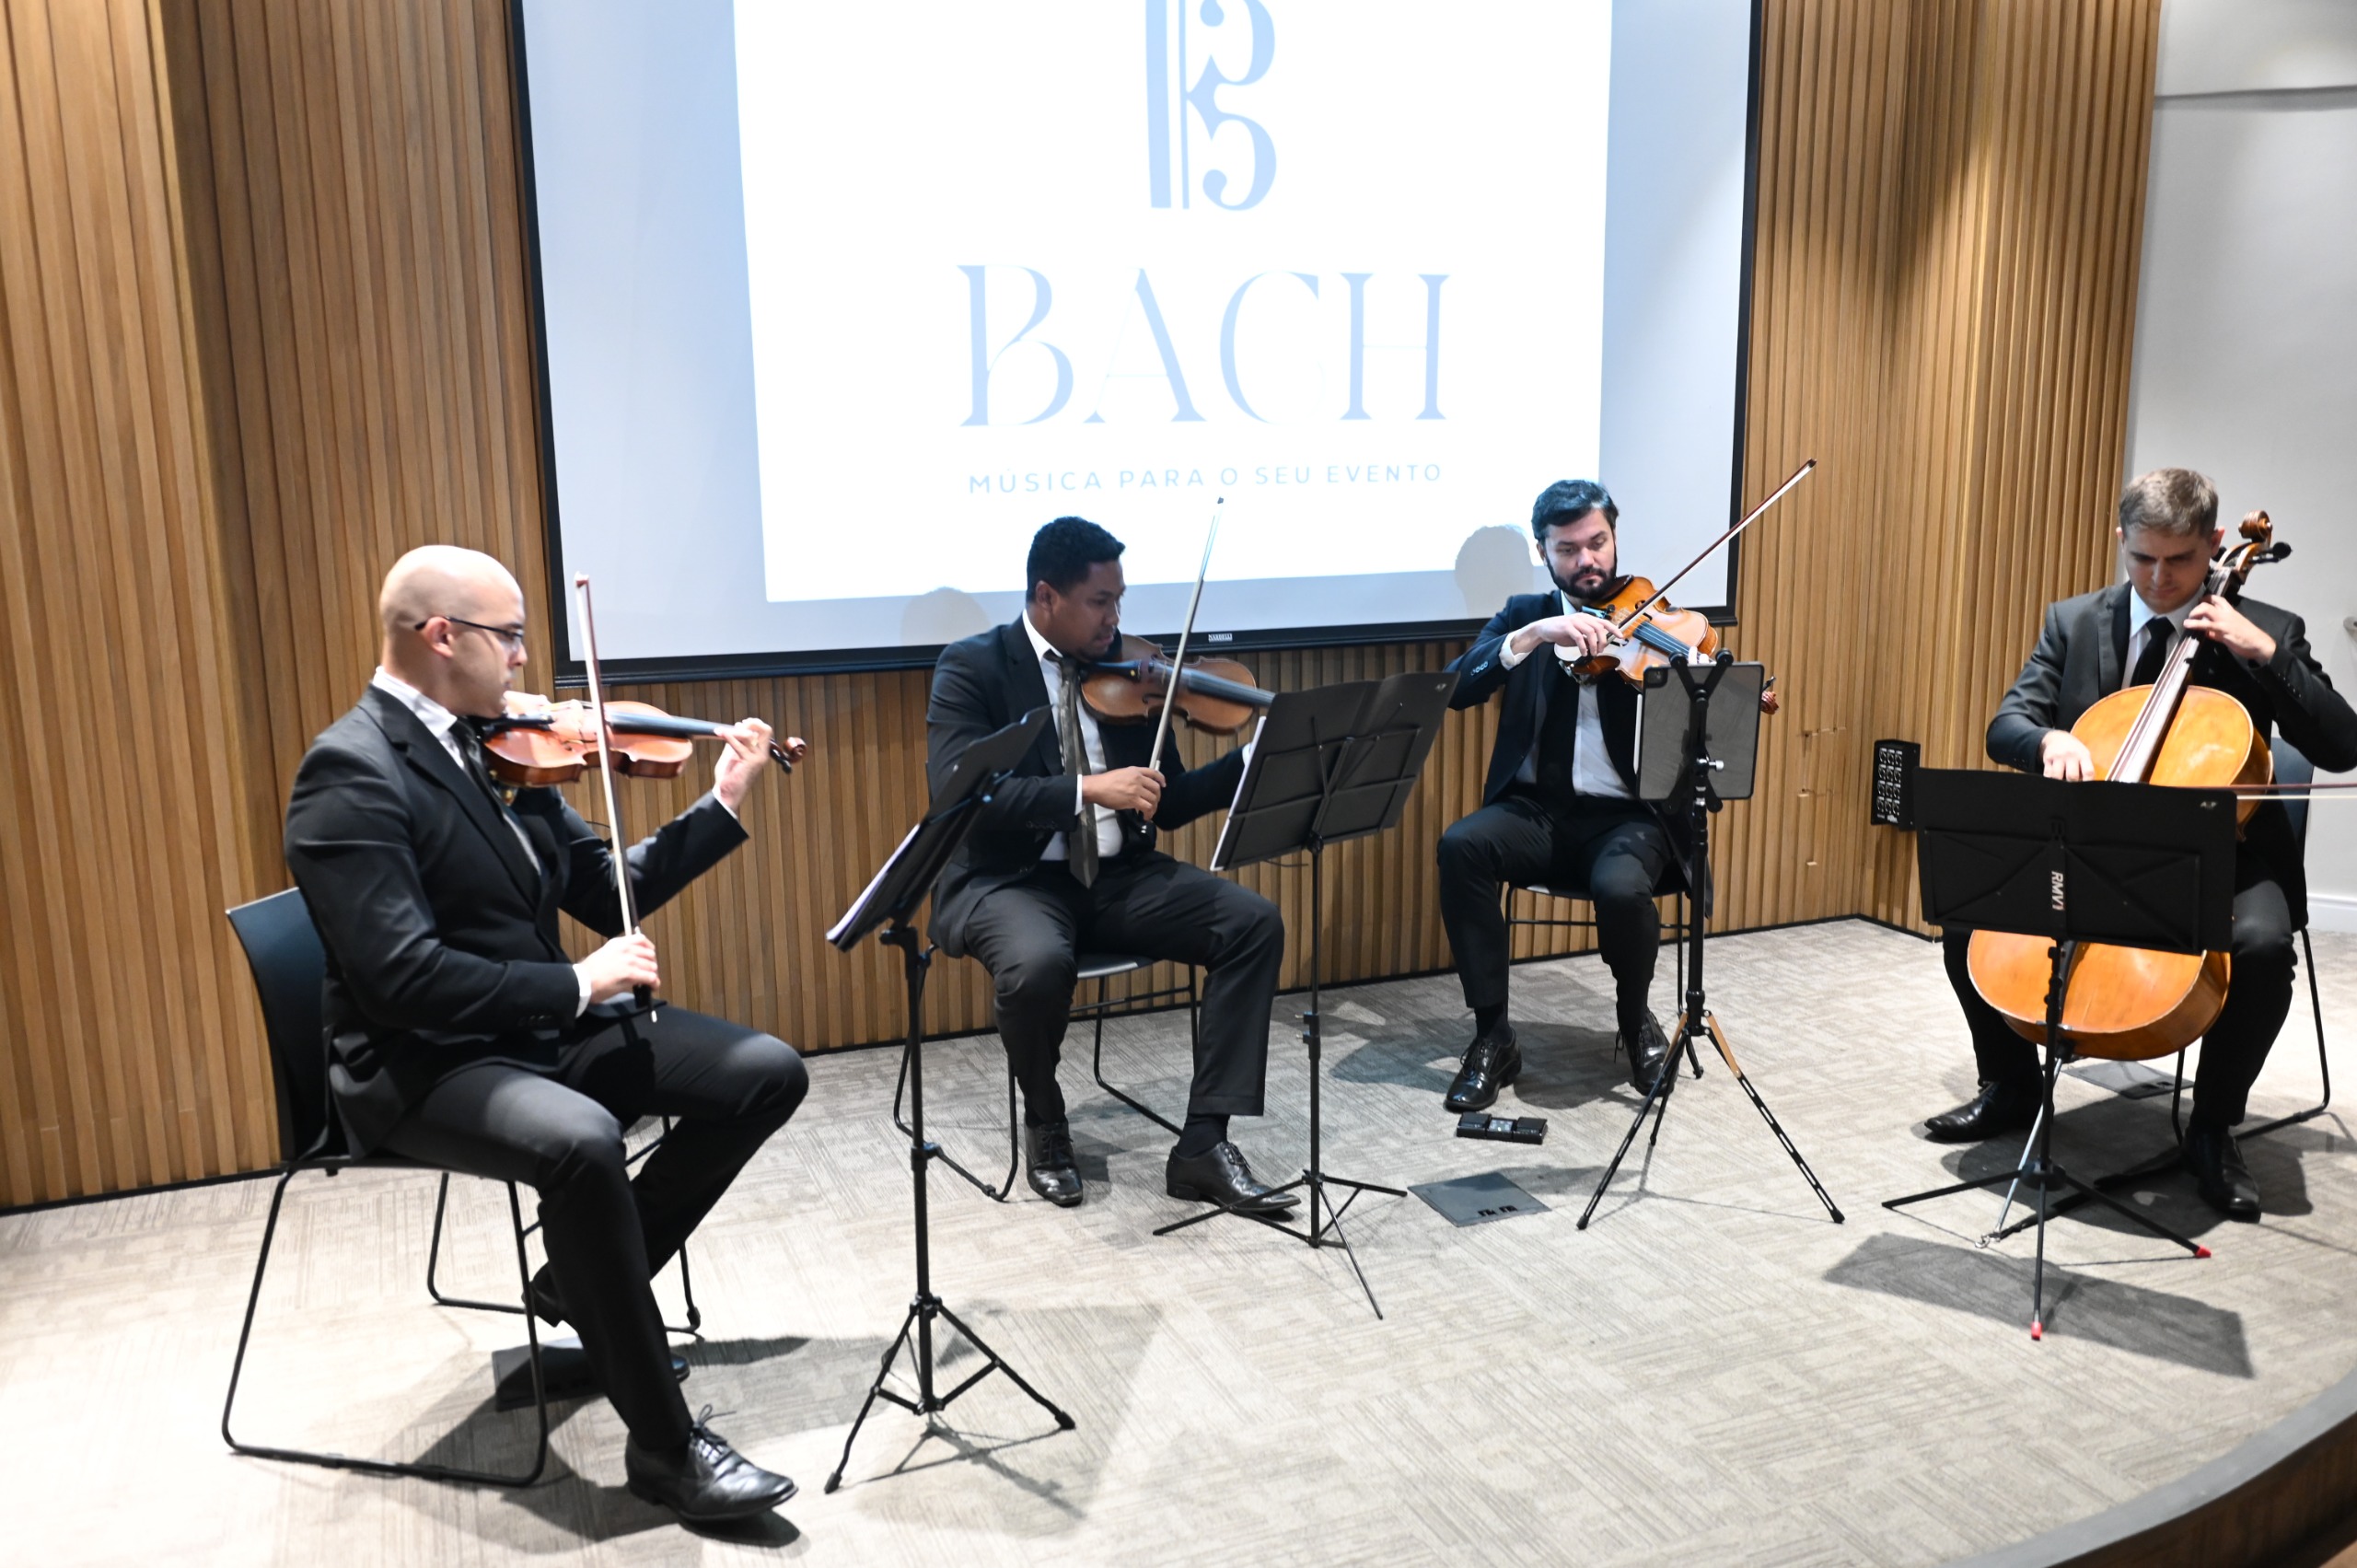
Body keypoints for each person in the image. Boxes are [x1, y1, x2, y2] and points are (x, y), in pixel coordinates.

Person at [284, 546, 807, 1524]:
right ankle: (665, 1448)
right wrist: (574, 982)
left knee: (764, 1072)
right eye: (512, 636)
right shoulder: (350, 772)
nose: (527, 659)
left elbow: (605, 889)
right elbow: (400, 979)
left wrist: (722, 801)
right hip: (422, 1062)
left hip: (531, 1030)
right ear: (443, 636)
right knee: (580, 1142)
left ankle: (583, 1285)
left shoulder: (501, 748)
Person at [1922, 469, 2357, 1220]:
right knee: (1970, 908)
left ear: (2214, 545)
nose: (2159, 578)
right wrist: (2048, 740)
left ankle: (2213, 1127)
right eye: (2143, 558)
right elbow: (2008, 724)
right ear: (2121, 540)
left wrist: (2264, 655)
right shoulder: (2073, 621)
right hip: (2092, 839)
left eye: (2180, 560)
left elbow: (2342, 744)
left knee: (2261, 946)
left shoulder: (2268, 629)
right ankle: (2012, 1083)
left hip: (2219, 850)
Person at [925, 516, 1297, 1215]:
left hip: (1117, 876)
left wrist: (1251, 760)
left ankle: (1203, 1144)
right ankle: (1045, 1119)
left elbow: (1170, 802)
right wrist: (1087, 789)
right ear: (1046, 597)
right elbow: (962, 795)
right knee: (1037, 965)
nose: (1115, 619)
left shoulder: (1133, 670)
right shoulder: (973, 668)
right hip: (1012, 881)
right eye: (1100, 602)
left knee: (1252, 923)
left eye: (1120, 600)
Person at [1434, 480, 1687, 1113]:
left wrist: (1684, 677)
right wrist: (1532, 637)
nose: (1587, 560)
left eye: (1597, 542)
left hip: (1627, 818)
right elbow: (1456, 689)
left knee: (1621, 889)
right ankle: (1493, 1035)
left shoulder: (1657, 620)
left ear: (1614, 537)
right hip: (1536, 813)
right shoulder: (1525, 613)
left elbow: (1698, 726)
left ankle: (1635, 1019)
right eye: (1568, 549)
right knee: (1461, 846)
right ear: (1543, 552)